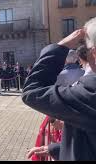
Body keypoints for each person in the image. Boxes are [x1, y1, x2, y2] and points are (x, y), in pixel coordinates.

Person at [23, 21, 96, 161]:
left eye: (86, 48)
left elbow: (32, 91)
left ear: (94, 53)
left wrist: (61, 46)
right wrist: (56, 149)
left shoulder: (91, 91)